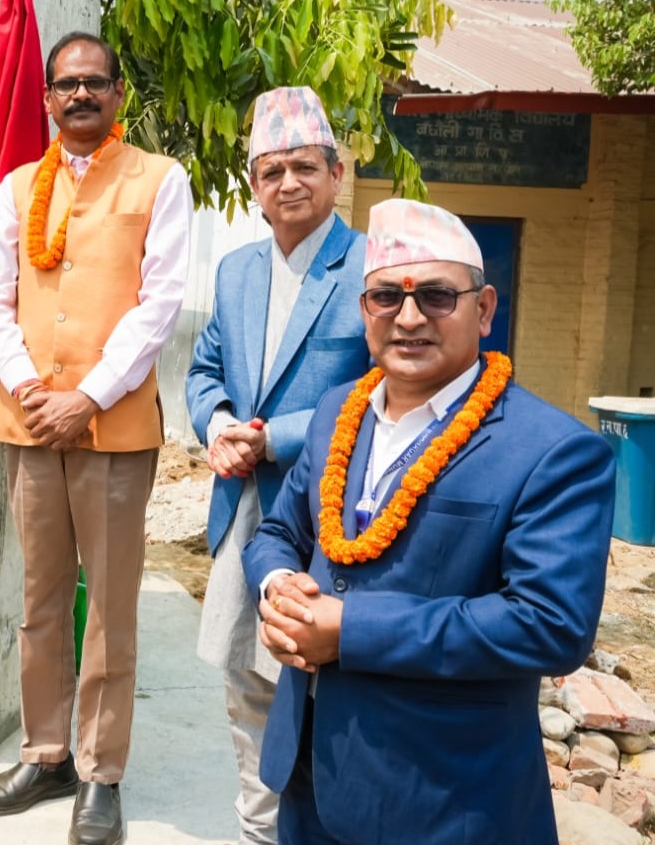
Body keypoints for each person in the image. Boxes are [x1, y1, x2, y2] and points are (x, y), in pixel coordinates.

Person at [244, 199, 616, 844]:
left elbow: (549, 624)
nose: (408, 317)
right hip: (310, 766)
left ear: (485, 309)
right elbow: (280, 532)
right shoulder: (339, 411)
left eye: (437, 297)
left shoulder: (550, 449)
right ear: (365, 311)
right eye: (386, 296)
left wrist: (351, 629)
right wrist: (278, 587)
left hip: (445, 798)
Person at [0, 31, 190, 845]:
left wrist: (88, 395)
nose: (82, 95)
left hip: (115, 429)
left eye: (97, 82)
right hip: (30, 421)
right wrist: (31, 388)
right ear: (48, 99)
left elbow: (159, 302)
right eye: (68, 84)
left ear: (119, 95)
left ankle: (101, 772)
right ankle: (45, 752)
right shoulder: (19, 188)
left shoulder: (160, 181)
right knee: (39, 603)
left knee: (111, 611)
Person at [183, 86, 371, 845]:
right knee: (246, 689)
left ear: (336, 172)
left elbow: (379, 384)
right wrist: (221, 424)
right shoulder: (236, 270)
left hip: (336, 518)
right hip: (245, 514)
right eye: (271, 170)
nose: (288, 182)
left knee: (321, 691)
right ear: (253, 184)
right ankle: (259, 832)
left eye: (304, 166)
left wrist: (274, 438)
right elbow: (203, 369)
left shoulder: (368, 267)